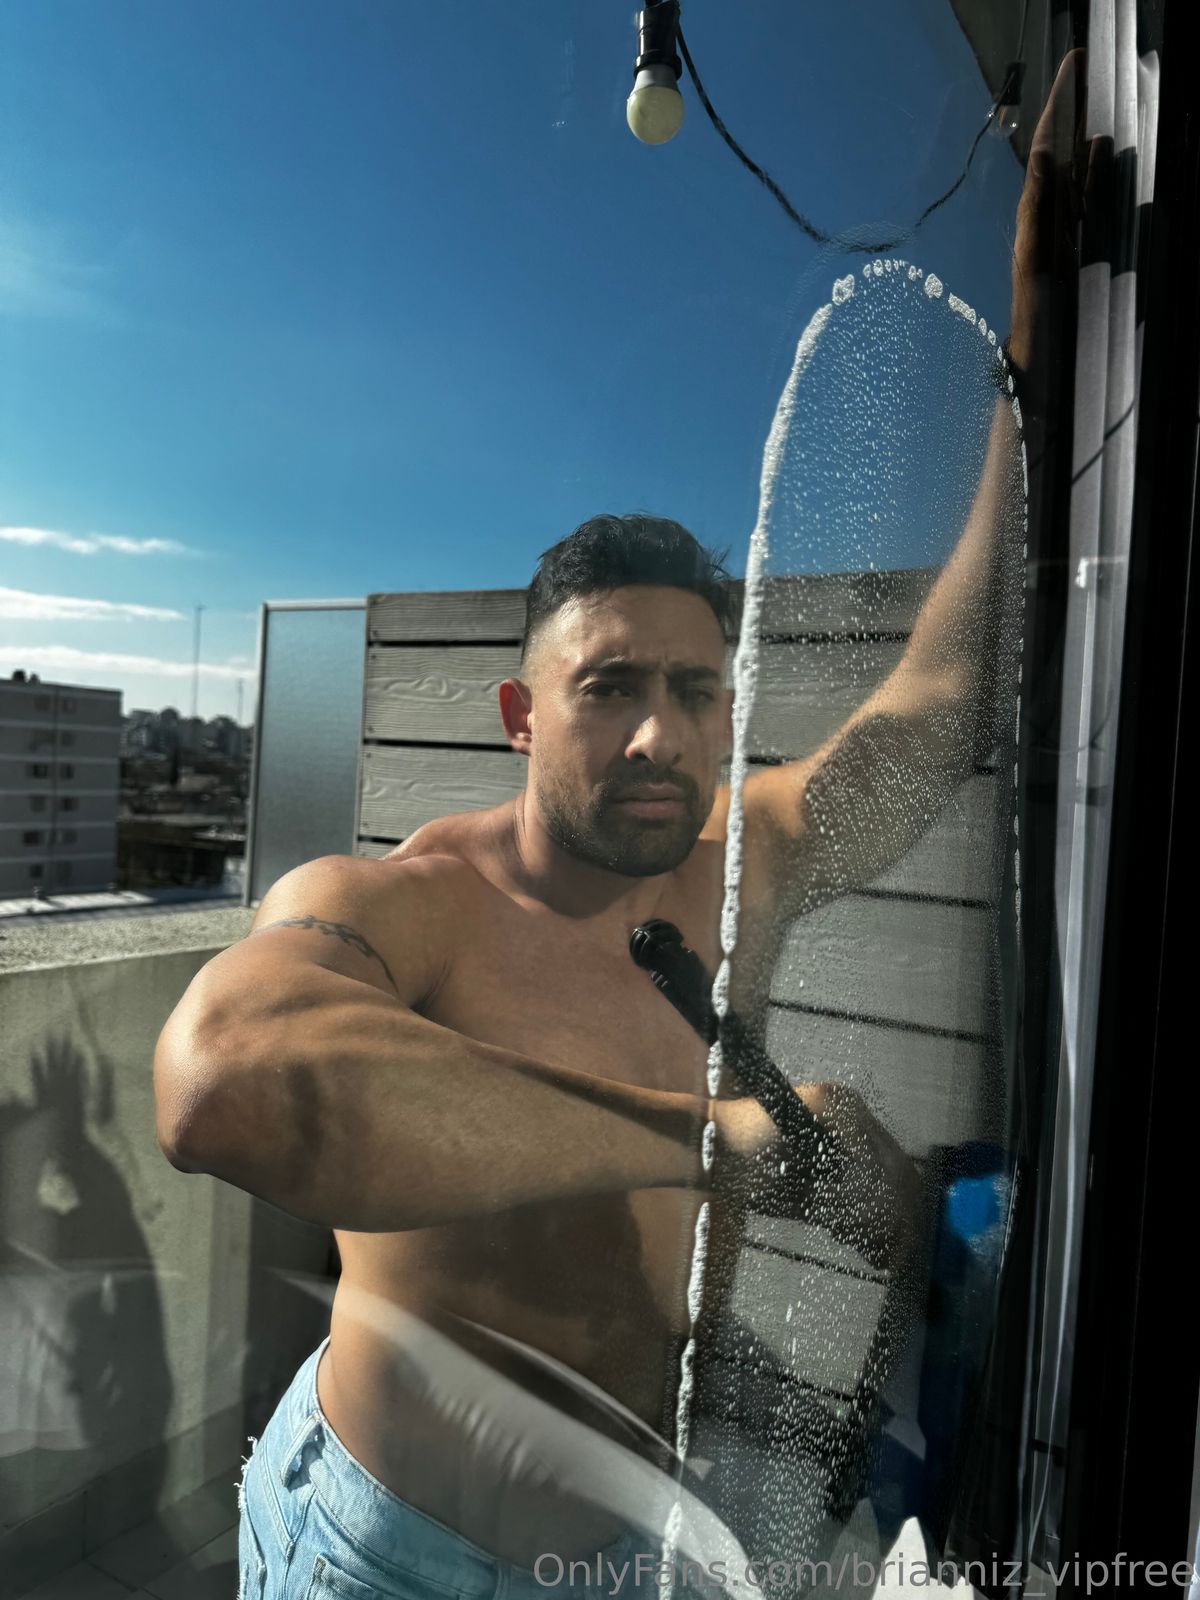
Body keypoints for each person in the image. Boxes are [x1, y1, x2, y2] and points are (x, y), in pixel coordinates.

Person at [153, 55, 1083, 1600]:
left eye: (697, 690)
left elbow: (942, 696)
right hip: (388, 1555)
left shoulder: (751, 862)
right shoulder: (414, 903)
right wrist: (726, 1143)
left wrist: (1036, 347)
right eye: (609, 688)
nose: (660, 732)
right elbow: (224, 1085)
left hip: (635, 1547)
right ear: (523, 716)